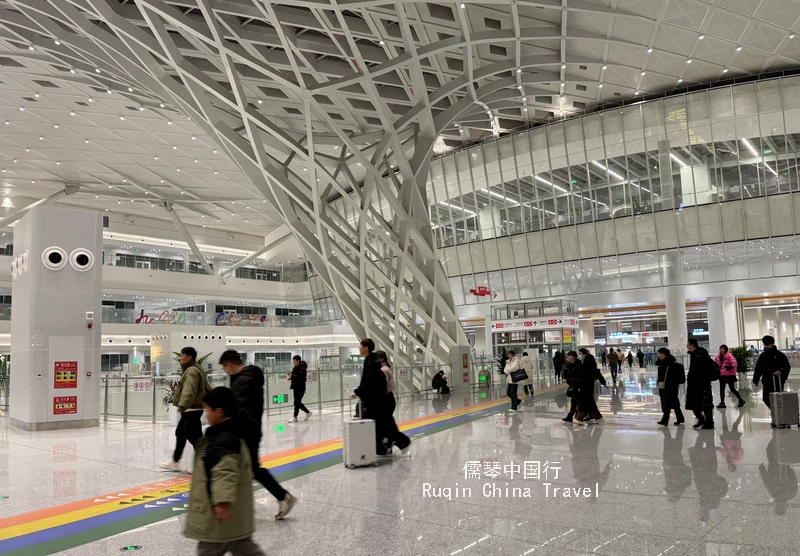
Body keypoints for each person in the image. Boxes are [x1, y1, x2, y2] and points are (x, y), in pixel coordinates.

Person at [184, 387, 266, 556]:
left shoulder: (224, 440)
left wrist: (222, 501)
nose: (206, 415)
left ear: (219, 412)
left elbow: (225, 470)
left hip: (218, 520)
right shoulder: (228, 433)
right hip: (233, 519)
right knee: (244, 547)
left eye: (207, 410)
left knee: (211, 550)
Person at [218, 350, 297, 520]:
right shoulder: (251, 376)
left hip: (245, 432)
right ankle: (280, 497)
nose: (225, 372)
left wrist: (228, 426)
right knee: (248, 468)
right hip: (252, 429)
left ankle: (283, 497)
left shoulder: (242, 381)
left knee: (249, 468)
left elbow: (239, 410)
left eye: (225, 368)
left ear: (230, 364)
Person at [160, 347, 207, 472]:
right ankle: (175, 461)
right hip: (192, 408)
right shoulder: (196, 369)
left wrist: (183, 405)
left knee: (194, 436)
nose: (180, 358)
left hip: (191, 408)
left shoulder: (191, 371)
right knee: (181, 433)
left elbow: (189, 390)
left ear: (189, 357)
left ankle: (203, 462)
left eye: (182, 356)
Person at [375, 350, 411, 455]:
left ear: (382, 359)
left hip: (385, 399)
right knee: (384, 424)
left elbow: (382, 387)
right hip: (386, 399)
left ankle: (403, 442)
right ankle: (385, 447)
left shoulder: (383, 370)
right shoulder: (383, 369)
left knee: (385, 424)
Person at [753, 335, 791, 411]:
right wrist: (755, 380)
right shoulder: (763, 355)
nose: (767, 346)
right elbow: (758, 368)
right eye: (765, 345)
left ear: (772, 344)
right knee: (766, 398)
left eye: (768, 345)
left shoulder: (779, 355)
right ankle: (776, 413)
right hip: (767, 381)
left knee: (778, 399)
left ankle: (781, 416)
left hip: (777, 381)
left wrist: (780, 371)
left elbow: (786, 366)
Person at [686, 339, 716, 429]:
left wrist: (700, 379)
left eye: (688, 344)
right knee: (694, 403)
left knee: (706, 403)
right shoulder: (694, 354)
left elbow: (703, 369)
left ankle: (709, 422)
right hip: (694, 383)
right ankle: (701, 419)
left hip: (702, 383)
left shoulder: (701, 354)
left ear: (692, 345)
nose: (687, 346)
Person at [574, 348, 608, 423]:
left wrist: (603, 382)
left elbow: (597, 373)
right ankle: (598, 418)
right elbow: (580, 377)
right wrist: (579, 386)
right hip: (583, 385)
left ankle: (579, 419)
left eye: (580, 354)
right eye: (578, 354)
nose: (579, 355)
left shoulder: (589, 364)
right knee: (590, 402)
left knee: (583, 401)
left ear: (584, 354)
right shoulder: (582, 363)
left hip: (587, 385)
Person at [656, 347, 685, 426]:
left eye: (661, 354)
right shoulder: (661, 364)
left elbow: (674, 376)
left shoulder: (671, 364)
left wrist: (670, 382)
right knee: (672, 403)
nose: (660, 355)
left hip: (671, 386)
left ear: (666, 354)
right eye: (659, 354)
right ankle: (679, 418)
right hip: (663, 386)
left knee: (669, 403)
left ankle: (665, 420)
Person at [715, 344, 744, 409]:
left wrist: (728, 367)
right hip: (722, 375)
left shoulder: (729, 356)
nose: (721, 350)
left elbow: (734, 363)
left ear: (725, 349)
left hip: (729, 375)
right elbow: (716, 363)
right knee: (721, 389)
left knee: (732, 389)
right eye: (720, 348)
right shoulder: (718, 357)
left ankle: (741, 400)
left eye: (722, 348)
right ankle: (722, 403)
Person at [288, 355, 311, 423]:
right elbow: (294, 375)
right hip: (295, 386)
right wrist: (291, 377)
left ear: (298, 361)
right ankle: (306, 413)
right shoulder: (295, 367)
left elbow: (301, 377)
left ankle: (295, 416)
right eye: (293, 361)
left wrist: (292, 376)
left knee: (296, 402)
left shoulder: (302, 368)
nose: (293, 362)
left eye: (294, 361)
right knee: (297, 402)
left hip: (300, 387)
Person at [561, 351, 581, 423]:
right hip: (572, 386)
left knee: (577, 401)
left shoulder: (579, 365)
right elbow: (568, 376)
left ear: (575, 357)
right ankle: (571, 415)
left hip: (577, 386)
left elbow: (580, 376)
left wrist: (578, 386)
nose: (569, 357)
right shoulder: (569, 365)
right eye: (568, 355)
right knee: (574, 401)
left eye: (571, 355)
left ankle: (575, 415)